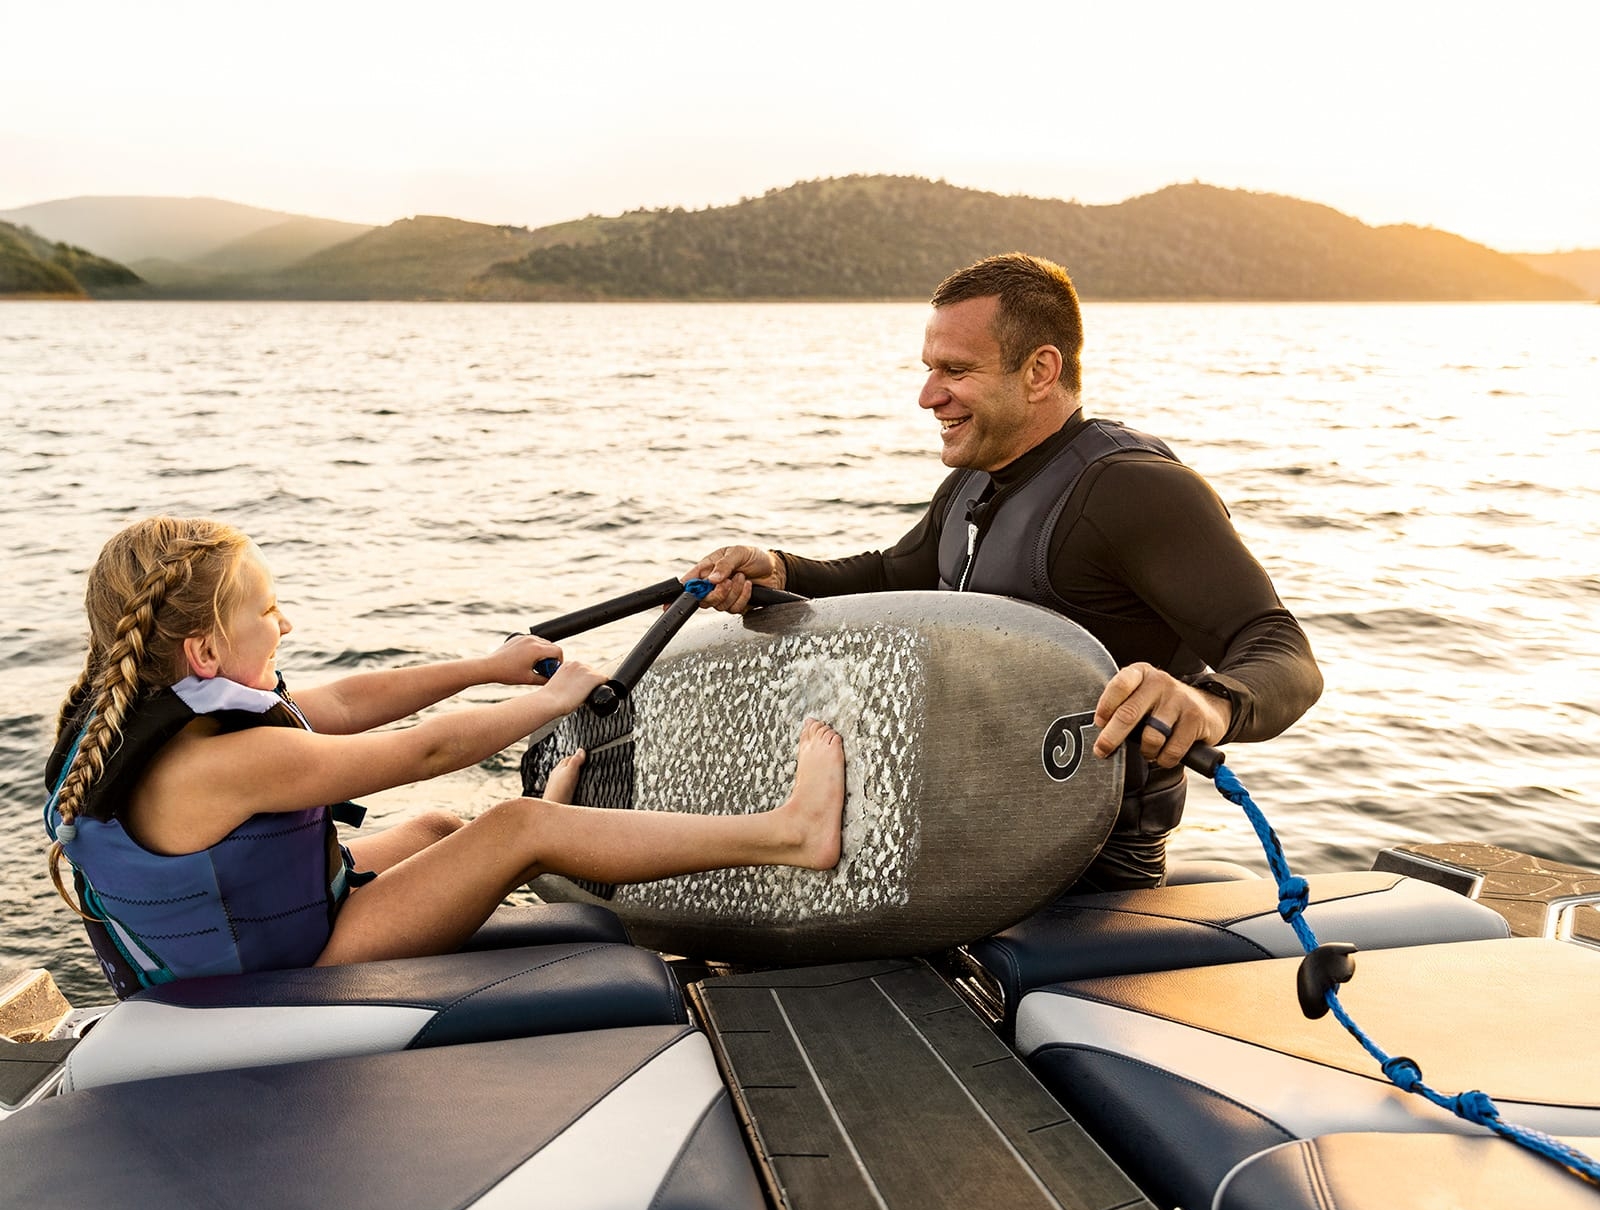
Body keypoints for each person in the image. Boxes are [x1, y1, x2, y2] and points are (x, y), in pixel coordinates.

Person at [690, 252, 1321, 892]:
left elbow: (1282, 650)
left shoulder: (1135, 490)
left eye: (955, 371)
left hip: (1090, 871)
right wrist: (777, 570)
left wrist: (1207, 706)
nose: (928, 395)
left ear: (1040, 371)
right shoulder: (976, 479)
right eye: (930, 369)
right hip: (962, 834)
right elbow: (895, 575)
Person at [44, 515, 844, 991]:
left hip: (259, 939)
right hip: (283, 977)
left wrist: (485, 667)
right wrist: (546, 700)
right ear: (207, 649)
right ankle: (790, 835)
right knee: (513, 826)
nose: (285, 627)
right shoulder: (224, 761)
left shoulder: (139, 713)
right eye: (271, 610)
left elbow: (350, 702)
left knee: (431, 830)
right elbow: (425, 750)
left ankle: (558, 844)